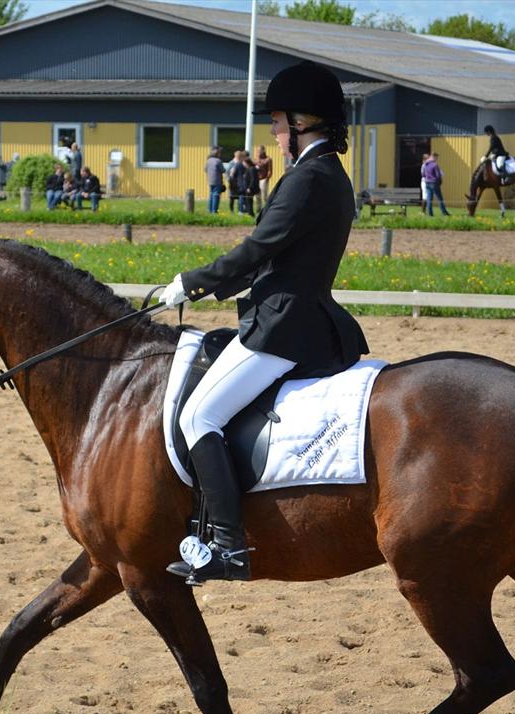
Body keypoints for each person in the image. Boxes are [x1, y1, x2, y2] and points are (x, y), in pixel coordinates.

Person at [160, 62, 368, 584]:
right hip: (297, 314)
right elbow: (272, 258)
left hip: (283, 324)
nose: (273, 134)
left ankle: (228, 547)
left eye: (277, 123)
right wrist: (214, 286)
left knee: (197, 418)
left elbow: (259, 248)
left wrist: (192, 280)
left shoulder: (310, 178)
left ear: (302, 123)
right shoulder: (324, 175)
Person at [205, 146, 225, 214]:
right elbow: (223, 170)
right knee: (216, 195)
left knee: (211, 195)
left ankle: (210, 210)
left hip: (210, 180)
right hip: (217, 181)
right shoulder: (218, 161)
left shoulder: (208, 161)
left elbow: (205, 169)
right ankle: (214, 211)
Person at [255, 145, 272, 213]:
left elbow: (269, 171)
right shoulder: (256, 159)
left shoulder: (268, 159)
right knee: (257, 195)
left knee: (264, 194)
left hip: (264, 178)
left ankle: (267, 208)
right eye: (258, 151)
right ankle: (258, 208)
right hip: (256, 179)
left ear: (263, 150)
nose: (259, 152)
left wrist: (267, 178)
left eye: (260, 150)